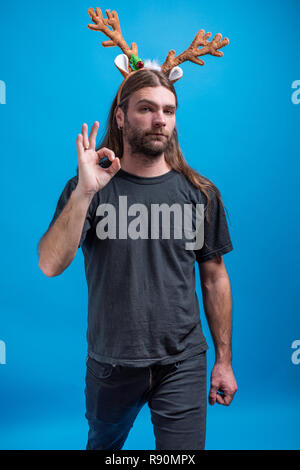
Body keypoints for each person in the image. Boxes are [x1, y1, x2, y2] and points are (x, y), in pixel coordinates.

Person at [38, 68, 237, 450]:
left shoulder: (200, 193)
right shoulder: (88, 188)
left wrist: (224, 361)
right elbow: (50, 264)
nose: (160, 120)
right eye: (146, 109)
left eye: (169, 110)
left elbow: (215, 279)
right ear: (120, 115)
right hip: (110, 362)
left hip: (182, 362)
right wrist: (84, 193)